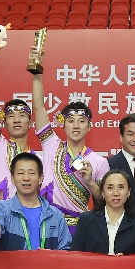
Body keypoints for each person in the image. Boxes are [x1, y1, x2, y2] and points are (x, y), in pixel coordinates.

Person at [34, 94, 106, 234]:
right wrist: (38, 79)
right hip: (48, 224)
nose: (76, 126)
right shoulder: (51, 145)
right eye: (71, 121)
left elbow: (105, 199)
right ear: (63, 124)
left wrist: (89, 182)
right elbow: (38, 107)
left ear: (89, 126)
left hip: (79, 229)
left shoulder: (99, 162)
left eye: (82, 121)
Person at [0, 56, 46, 202]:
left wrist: (37, 70)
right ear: (4, 122)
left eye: (22, 116)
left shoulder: (39, 160)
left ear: (31, 122)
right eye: (11, 116)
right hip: (0, 215)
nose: (17, 120)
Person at [0, 152, 72, 251]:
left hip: (46, 262)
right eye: (21, 173)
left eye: (31, 173)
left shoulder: (55, 215)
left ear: (40, 178)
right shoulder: (0, 209)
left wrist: (52, 256)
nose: (26, 178)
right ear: (12, 178)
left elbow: (66, 249)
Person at [70, 169, 135, 255]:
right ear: (102, 192)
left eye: (121, 187)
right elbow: (75, 255)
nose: (116, 193)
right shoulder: (87, 220)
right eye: (110, 188)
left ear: (128, 192)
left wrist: (126, 259)